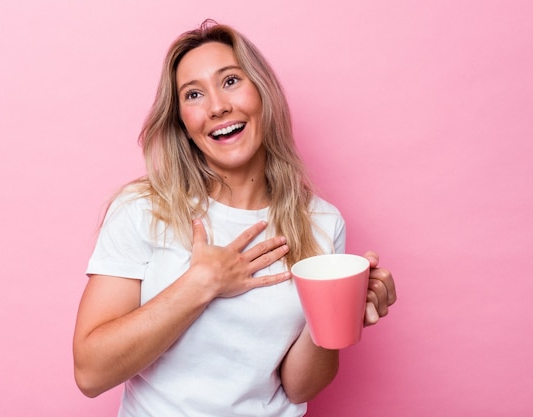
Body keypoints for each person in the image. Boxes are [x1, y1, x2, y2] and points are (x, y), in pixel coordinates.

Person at [73, 20, 397, 417]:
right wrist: (200, 285)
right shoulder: (143, 210)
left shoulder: (321, 223)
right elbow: (91, 372)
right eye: (194, 94)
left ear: (262, 92)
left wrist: (337, 312)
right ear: (183, 125)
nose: (217, 107)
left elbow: (299, 388)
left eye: (230, 81)